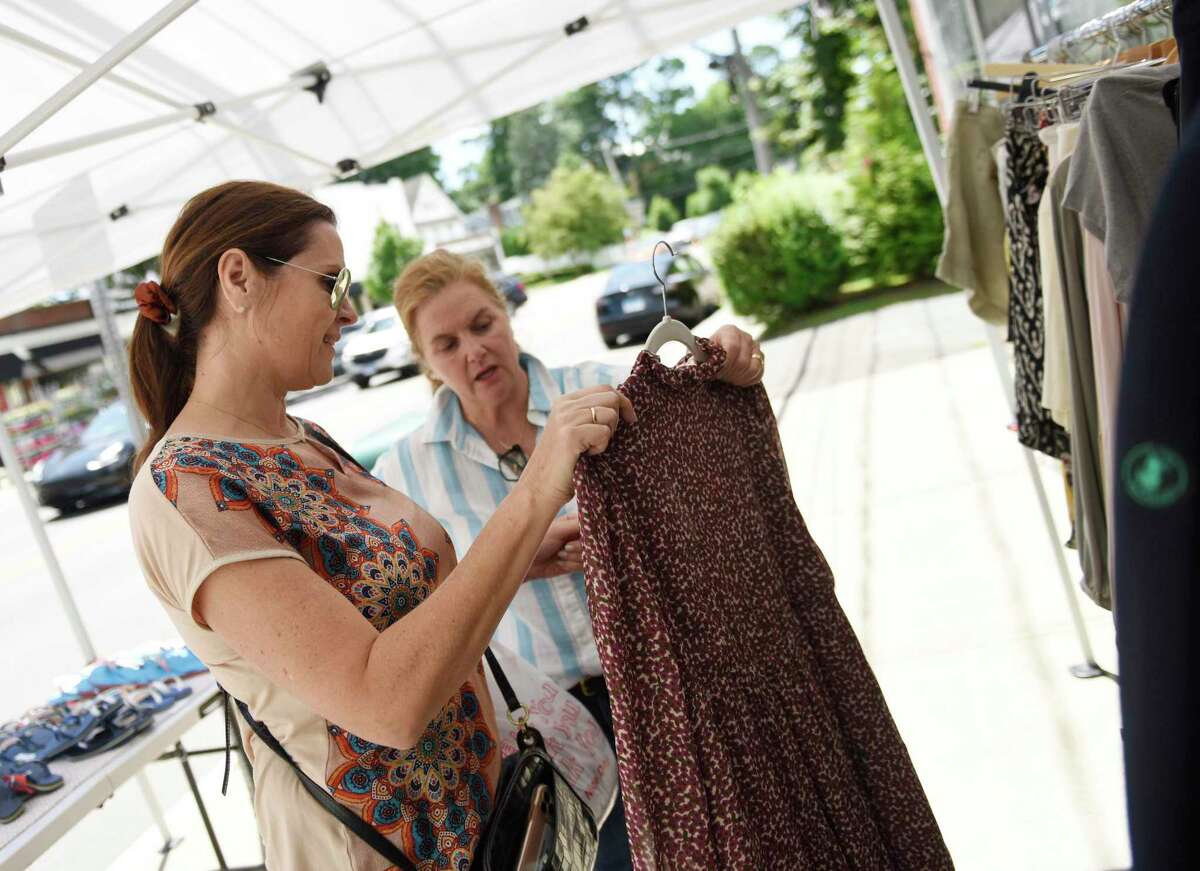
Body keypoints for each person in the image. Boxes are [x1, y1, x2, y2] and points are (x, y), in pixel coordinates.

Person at [126, 181, 636, 871]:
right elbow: (385, 700)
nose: (350, 312)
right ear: (239, 277)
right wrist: (540, 484)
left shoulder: (306, 439)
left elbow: (412, 610)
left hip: (492, 830)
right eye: (332, 285)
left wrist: (518, 553)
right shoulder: (188, 488)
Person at [373, 250, 765, 869]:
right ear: (424, 361)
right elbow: (408, 612)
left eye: (482, 325)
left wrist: (730, 370)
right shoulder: (406, 471)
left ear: (506, 316)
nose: (473, 351)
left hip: (664, 681)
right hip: (552, 726)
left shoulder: (599, 393)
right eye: (446, 343)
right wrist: (513, 563)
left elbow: (694, 497)